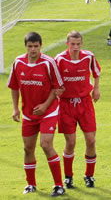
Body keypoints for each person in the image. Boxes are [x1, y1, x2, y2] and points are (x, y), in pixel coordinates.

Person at [8, 32, 66, 196]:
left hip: (48, 111)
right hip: (28, 113)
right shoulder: (18, 62)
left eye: (36, 46)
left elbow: (58, 88)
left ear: (41, 46)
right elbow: (14, 86)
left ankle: (58, 185)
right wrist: (15, 108)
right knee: (28, 148)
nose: (33, 49)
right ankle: (31, 185)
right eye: (30, 46)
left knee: (46, 145)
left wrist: (45, 105)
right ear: (25, 46)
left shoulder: (49, 63)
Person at [54, 31, 101, 189]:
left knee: (91, 140)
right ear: (67, 44)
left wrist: (96, 89)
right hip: (66, 105)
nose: (75, 47)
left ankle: (89, 175)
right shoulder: (59, 59)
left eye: (78, 44)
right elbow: (53, 80)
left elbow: (96, 72)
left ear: (81, 44)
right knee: (71, 142)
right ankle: (68, 177)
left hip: (85, 103)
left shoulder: (89, 56)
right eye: (72, 44)